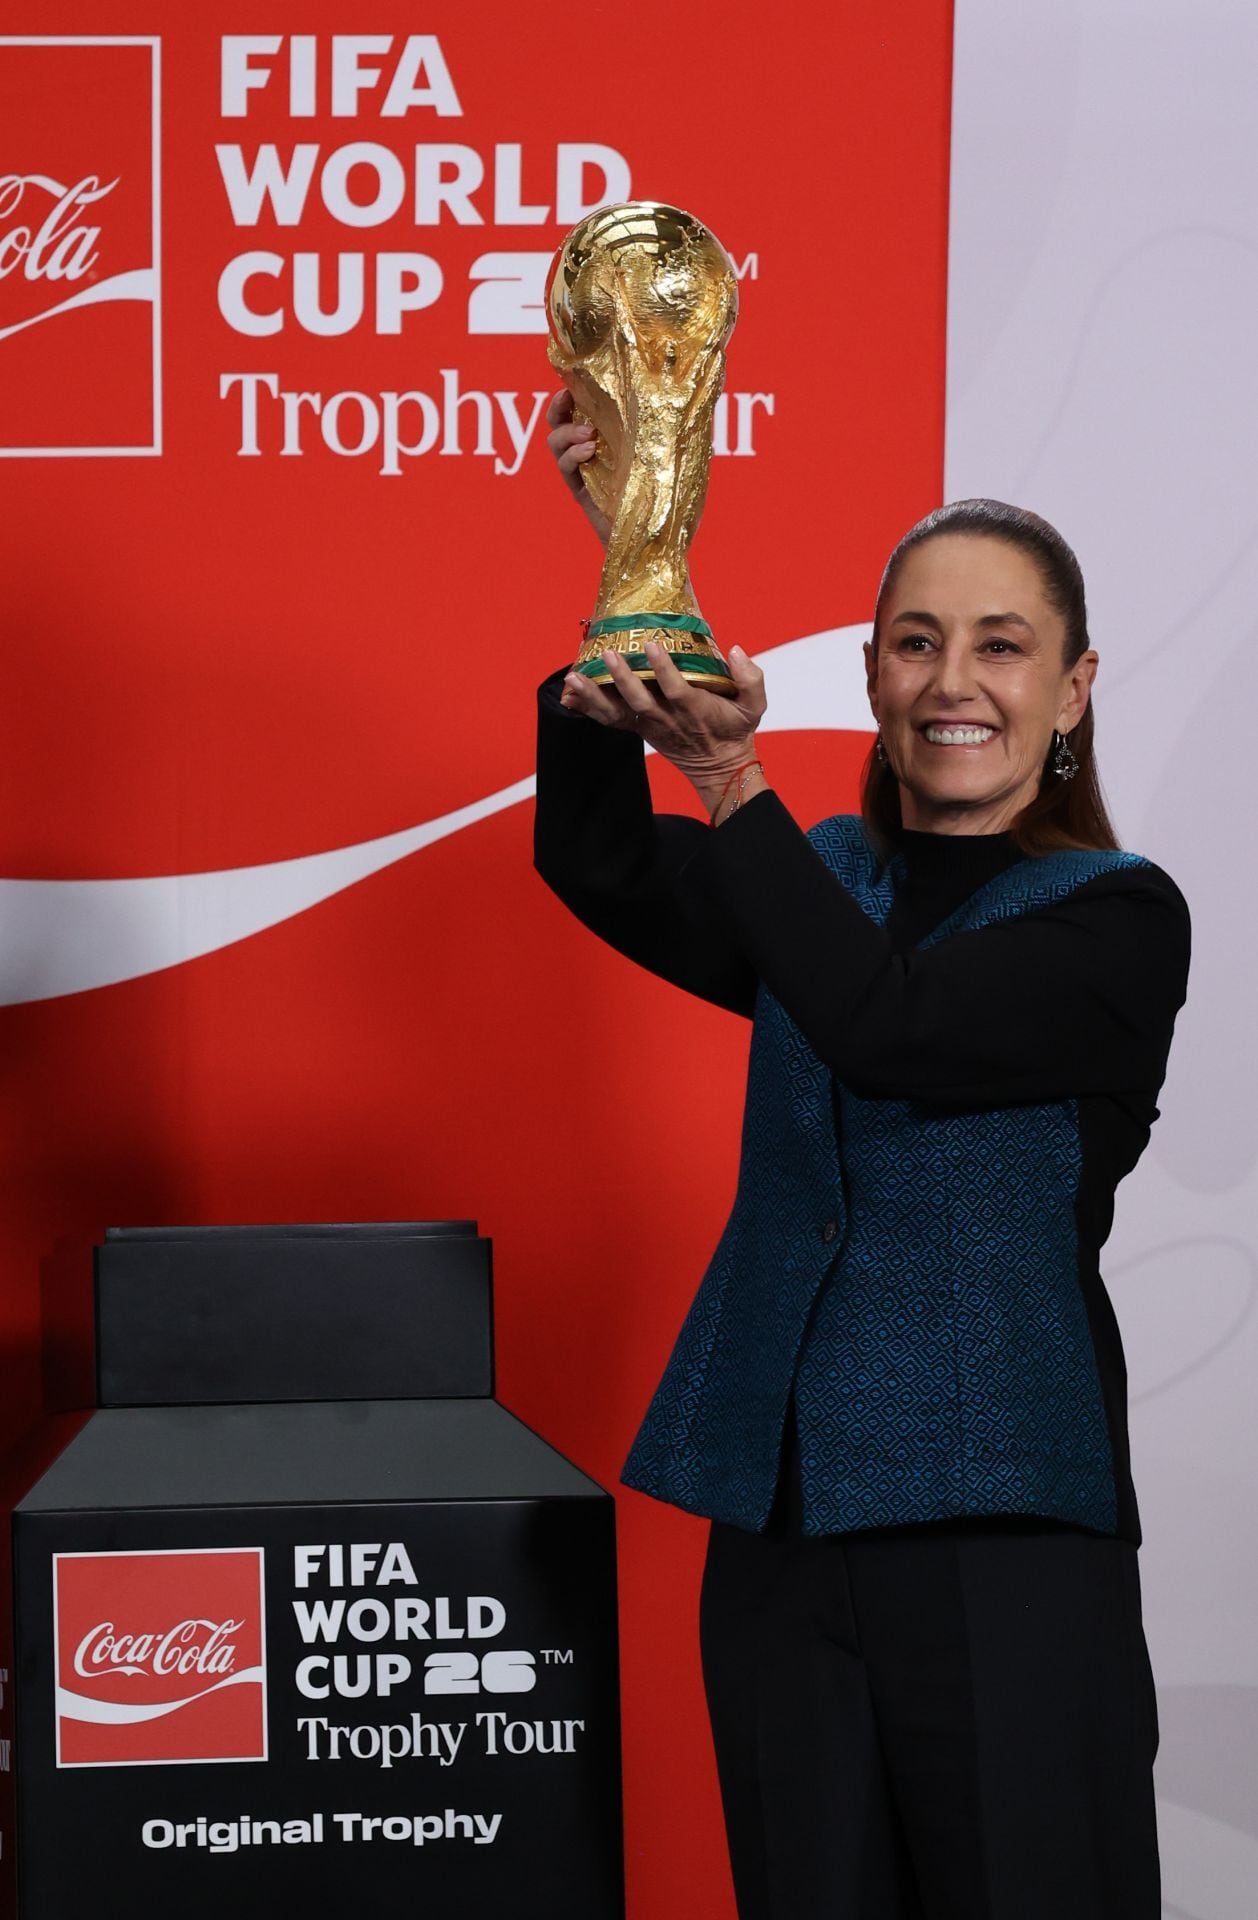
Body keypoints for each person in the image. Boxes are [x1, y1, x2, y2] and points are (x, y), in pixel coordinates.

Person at [533, 390, 1190, 1919]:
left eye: (1000, 644)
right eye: (913, 641)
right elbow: (598, 855)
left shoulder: (1114, 917)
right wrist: (635, 566)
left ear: (1073, 688)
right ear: (872, 669)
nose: (951, 681)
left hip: (998, 1535)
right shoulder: (822, 879)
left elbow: (890, 1026)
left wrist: (735, 780)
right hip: (780, 1527)